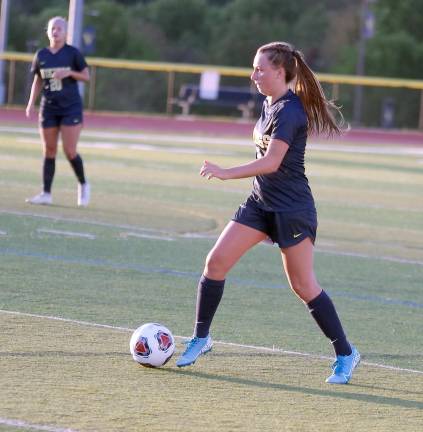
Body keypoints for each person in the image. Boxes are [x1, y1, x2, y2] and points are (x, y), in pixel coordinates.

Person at [176, 41, 360, 385]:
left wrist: (226, 172)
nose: (254, 75)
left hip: (292, 210)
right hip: (260, 203)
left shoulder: (290, 111)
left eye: (260, 69)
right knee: (215, 263)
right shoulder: (268, 103)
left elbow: (273, 162)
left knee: (304, 286)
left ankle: (346, 354)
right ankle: (201, 338)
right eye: (254, 68)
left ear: (280, 71)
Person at [25, 16, 90, 207]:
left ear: (65, 32)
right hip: (49, 107)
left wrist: (69, 73)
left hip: (70, 107)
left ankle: (83, 184)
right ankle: (46, 193)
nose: (56, 31)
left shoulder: (73, 53)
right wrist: (31, 103)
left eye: (60, 28)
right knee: (49, 150)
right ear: (48, 32)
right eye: (53, 28)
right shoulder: (41, 55)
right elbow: (38, 80)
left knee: (70, 151)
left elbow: (86, 76)